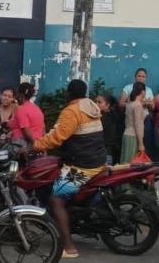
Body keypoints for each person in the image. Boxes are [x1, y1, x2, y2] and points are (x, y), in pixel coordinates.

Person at [31, 79, 107, 258]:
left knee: (56, 200)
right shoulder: (91, 106)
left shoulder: (72, 111)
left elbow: (58, 136)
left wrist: (34, 146)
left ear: (69, 93)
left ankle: (69, 247)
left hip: (83, 165)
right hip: (97, 160)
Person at [9, 83, 45, 148]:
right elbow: (43, 129)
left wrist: (36, 145)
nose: (16, 97)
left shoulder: (22, 109)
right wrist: (43, 145)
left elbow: (27, 131)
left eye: (17, 94)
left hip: (23, 144)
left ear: (21, 95)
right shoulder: (37, 108)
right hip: (38, 141)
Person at [120, 83, 146, 164]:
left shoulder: (130, 104)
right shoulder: (138, 105)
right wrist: (141, 144)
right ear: (143, 92)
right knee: (130, 164)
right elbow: (138, 125)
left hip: (127, 134)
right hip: (133, 136)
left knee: (125, 162)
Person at [96, 93, 123, 165]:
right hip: (109, 151)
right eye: (96, 102)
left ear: (107, 105)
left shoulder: (107, 118)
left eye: (99, 102)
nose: (96, 104)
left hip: (106, 151)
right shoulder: (112, 115)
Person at [0, 86, 17, 151]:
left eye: (9, 96)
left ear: (13, 99)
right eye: (4, 95)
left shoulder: (16, 109)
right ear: (0, 96)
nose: (6, 98)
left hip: (10, 148)